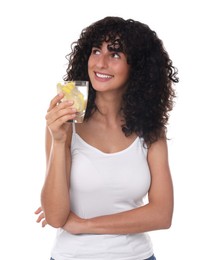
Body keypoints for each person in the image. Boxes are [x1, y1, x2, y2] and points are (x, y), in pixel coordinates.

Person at [35, 16, 178, 260]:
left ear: (137, 66)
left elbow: (162, 214)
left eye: (114, 54)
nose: (100, 63)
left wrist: (85, 225)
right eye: (95, 51)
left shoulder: (150, 130)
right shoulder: (65, 125)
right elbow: (57, 217)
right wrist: (59, 141)